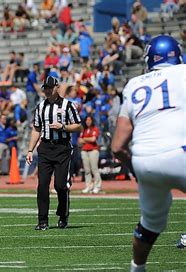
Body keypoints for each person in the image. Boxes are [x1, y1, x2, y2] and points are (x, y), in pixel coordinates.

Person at [110, 35, 185, 272]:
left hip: (144, 159)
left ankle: (137, 268)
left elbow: (118, 146)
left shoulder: (133, 84)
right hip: (180, 153)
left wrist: (138, 170)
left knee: (149, 225)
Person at [26, 76, 82, 230]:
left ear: (57, 87)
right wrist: (30, 150)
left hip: (62, 148)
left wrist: (63, 127)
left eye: (50, 87)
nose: (48, 90)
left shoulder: (68, 105)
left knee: (60, 185)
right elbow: (36, 129)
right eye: (46, 88)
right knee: (42, 185)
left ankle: (63, 215)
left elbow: (78, 126)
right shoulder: (40, 107)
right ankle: (42, 221)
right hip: (45, 148)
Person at [79, 115, 102, 194]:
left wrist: (84, 139)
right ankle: (88, 186)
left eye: (89, 120)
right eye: (86, 120)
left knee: (94, 169)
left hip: (93, 150)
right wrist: (87, 139)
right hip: (84, 150)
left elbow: (93, 139)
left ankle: (97, 186)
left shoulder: (95, 129)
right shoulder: (84, 130)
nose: (88, 121)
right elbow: (79, 140)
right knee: (87, 170)